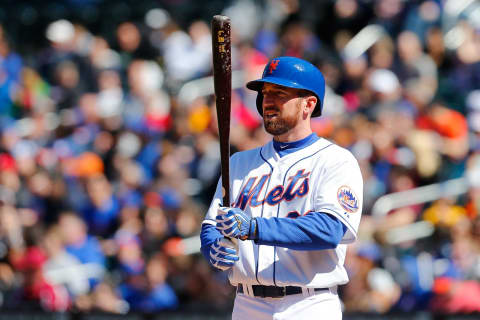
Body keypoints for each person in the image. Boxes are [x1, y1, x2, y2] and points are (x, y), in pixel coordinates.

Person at [200, 56, 363, 319]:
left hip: (308, 304)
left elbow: (331, 228)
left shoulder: (335, 160)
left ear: (308, 105)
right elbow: (212, 223)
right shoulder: (239, 162)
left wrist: (254, 228)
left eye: (280, 93)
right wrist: (213, 246)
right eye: (266, 93)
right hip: (246, 303)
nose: (268, 101)